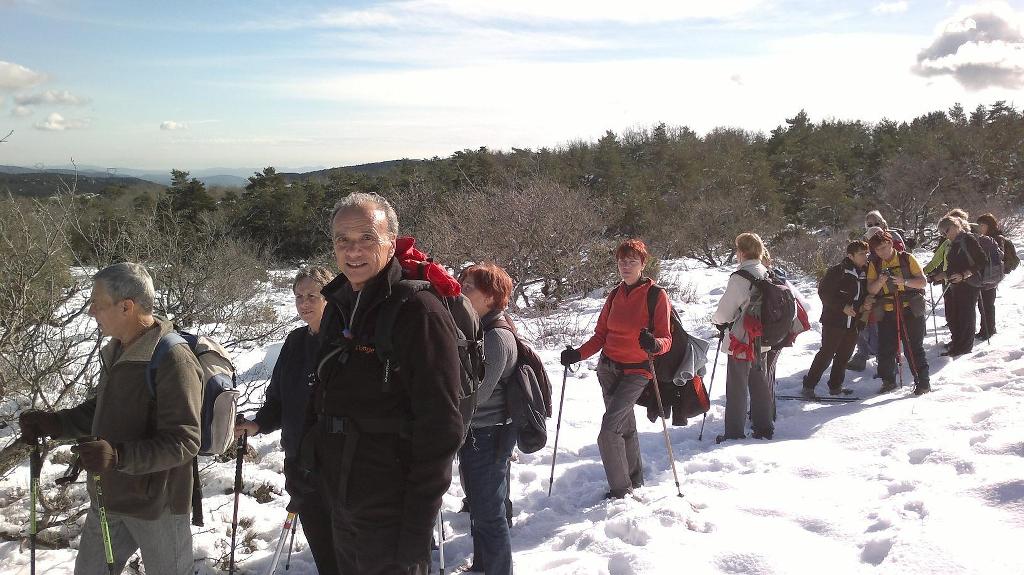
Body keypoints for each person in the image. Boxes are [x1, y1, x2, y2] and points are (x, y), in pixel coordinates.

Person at [300, 192, 464, 574]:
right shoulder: (339, 304)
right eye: (343, 239)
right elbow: (322, 395)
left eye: (367, 238)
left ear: (391, 241)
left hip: (393, 511)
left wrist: (416, 530)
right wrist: (306, 469)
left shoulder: (418, 313)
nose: (353, 250)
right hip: (341, 502)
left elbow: (440, 428)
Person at [19, 262, 203, 575]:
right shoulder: (118, 349)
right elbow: (104, 409)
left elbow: (185, 441)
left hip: (158, 503)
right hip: (109, 496)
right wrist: (56, 423)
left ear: (126, 307)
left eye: (96, 303)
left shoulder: (172, 358)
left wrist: (118, 456)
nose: (91, 312)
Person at [235, 266, 338, 575]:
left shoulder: (346, 341)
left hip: (339, 465)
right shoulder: (294, 342)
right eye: (298, 297)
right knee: (322, 546)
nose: (304, 303)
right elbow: (277, 400)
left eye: (312, 296)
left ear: (330, 298)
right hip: (299, 464)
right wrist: (256, 424)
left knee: (349, 549)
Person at [560, 239, 672, 499]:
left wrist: (654, 344)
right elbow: (601, 335)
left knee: (608, 431)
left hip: (637, 372)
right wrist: (577, 354)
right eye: (622, 261)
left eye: (632, 261)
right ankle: (635, 479)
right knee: (625, 426)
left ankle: (620, 491)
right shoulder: (614, 294)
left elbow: (666, 338)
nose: (626, 266)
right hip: (609, 369)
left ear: (643, 264)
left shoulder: (657, 296)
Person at [456, 263, 518, 575]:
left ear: (491, 296)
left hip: (488, 433)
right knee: (482, 508)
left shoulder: (496, 336)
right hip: (481, 432)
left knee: (490, 512)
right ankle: (483, 565)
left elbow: (479, 392)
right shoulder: (482, 327)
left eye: (469, 288)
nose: (462, 292)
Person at [711, 233, 774, 442]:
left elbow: (724, 313)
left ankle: (734, 433)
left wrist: (717, 322)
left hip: (742, 340)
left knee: (737, 386)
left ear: (742, 251)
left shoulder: (741, 277)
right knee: (760, 383)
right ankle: (764, 427)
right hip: (763, 338)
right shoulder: (766, 272)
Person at [865, 231, 931, 395]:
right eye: (878, 249)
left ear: (891, 243)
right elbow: (871, 290)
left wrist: (904, 282)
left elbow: (922, 282)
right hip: (887, 311)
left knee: (913, 347)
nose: (883, 251)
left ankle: (923, 383)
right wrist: (880, 281)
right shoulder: (875, 264)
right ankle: (888, 381)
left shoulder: (906, 258)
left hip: (910, 309)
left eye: (885, 247)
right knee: (886, 348)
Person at [802, 241, 870, 397]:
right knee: (826, 353)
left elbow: (864, 294)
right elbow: (824, 293)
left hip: (854, 322)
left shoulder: (865, 272)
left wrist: (865, 304)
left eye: (866, 253)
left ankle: (835, 386)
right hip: (834, 321)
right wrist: (842, 307)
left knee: (844, 355)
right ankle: (809, 386)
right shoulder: (837, 271)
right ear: (850, 256)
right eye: (861, 254)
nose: (865, 257)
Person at [937, 216, 987, 357]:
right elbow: (955, 265)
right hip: (957, 284)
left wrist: (964, 275)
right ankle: (958, 343)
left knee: (966, 315)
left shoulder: (968, 239)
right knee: (957, 315)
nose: (944, 235)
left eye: (946, 231)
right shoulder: (954, 243)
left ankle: (964, 347)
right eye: (942, 233)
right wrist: (941, 275)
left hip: (970, 284)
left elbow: (982, 260)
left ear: (955, 226)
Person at [924, 208, 970, 345]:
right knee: (951, 313)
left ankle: (962, 340)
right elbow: (935, 261)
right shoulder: (946, 243)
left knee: (962, 313)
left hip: (964, 280)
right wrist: (921, 273)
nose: (946, 232)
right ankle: (956, 338)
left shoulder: (969, 240)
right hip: (947, 280)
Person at [975, 213, 1018, 340]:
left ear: (989, 225)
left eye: (982, 225)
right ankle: (985, 329)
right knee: (982, 303)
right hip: (984, 274)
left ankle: (989, 329)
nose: (980, 227)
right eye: (979, 225)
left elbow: (999, 255)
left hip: (991, 275)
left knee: (987, 303)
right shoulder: (983, 237)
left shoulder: (997, 238)